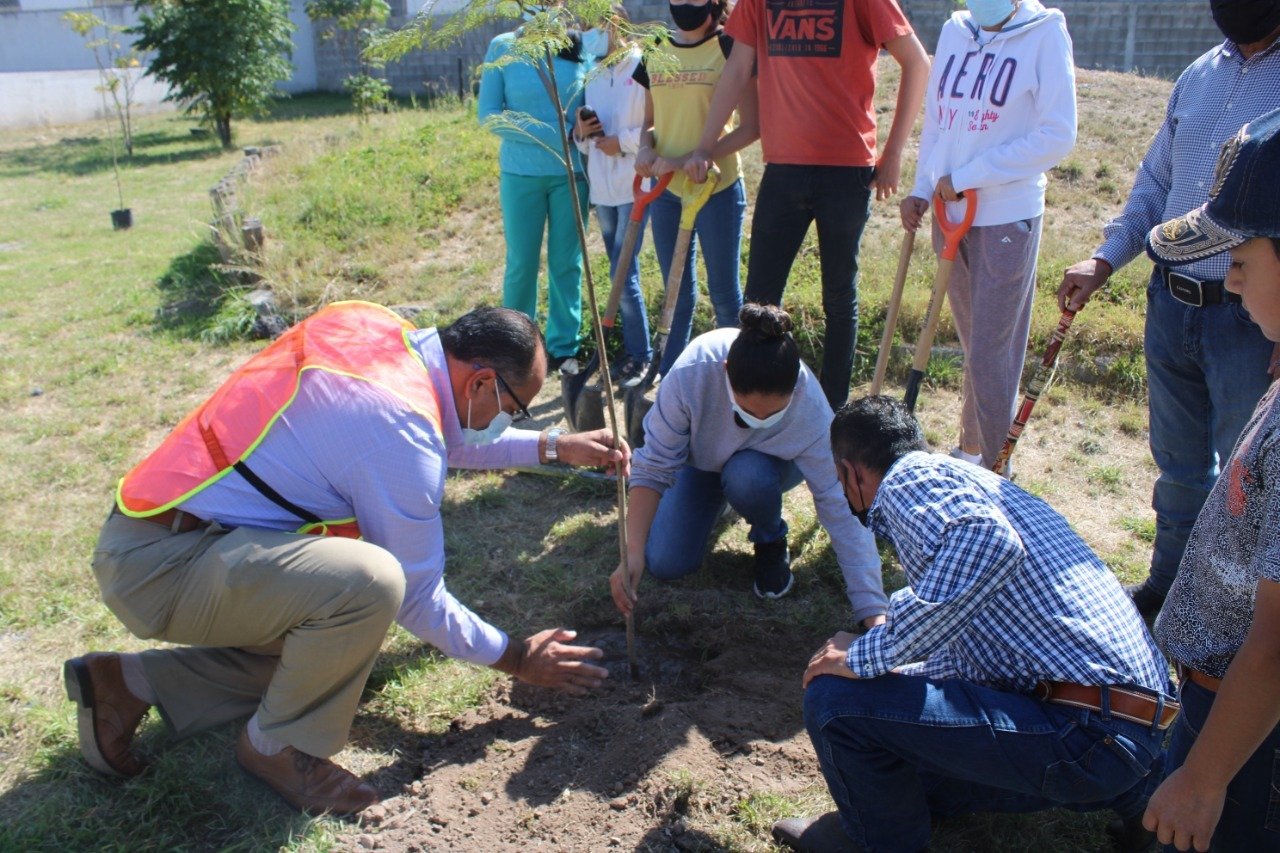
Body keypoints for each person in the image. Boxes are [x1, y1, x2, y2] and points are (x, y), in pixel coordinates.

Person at [63, 302, 628, 815]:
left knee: (324, 657)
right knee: (371, 585)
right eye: (514, 408)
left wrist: (554, 446)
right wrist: (519, 657)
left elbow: (437, 438)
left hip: (163, 536)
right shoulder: (399, 429)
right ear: (480, 380)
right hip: (163, 569)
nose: (509, 420)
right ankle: (277, 747)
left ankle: (131, 683)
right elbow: (420, 598)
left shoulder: (378, 332)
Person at [774, 395, 1176, 853]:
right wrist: (895, 675)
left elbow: (988, 542)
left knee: (834, 701)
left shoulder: (905, 481)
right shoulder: (967, 481)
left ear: (850, 472)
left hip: (1085, 734)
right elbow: (979, 658)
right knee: (907, 771)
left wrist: (868, 655)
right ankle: (1141, 797)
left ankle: (877, 844)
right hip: (1130, 727)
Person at [1057, 0, 1280, 619]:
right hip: (1172, 301)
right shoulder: (1199, 74)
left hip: (1252, 320)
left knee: (1249, 482)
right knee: (1179, 468)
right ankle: (1169, 589)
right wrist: (1105, 259)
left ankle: (1239, 619)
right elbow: (1156, 182)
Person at [1141, 106, 1280, 853]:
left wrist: (1203, 778)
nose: (1229, 282)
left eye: (1242, 262)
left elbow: (1278, 642)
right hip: (1224, 707)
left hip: (1249, 733)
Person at [683, 0, 929, 409]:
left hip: (847, 171)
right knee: (758, 301)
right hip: (783, 170)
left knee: (839, 296)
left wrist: (894, 153)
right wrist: (704, 147)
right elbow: (738, 69)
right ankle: (756, 402)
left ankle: (831, 412)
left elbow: (917, 63)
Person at [610, 304, 885, 625]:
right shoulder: (691, 374)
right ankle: (721, 500)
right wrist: (632, 550)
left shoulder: (810, 405)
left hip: (767, 470)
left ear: (795, 388)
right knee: (665, 561)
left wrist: (872, 610)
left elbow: (840, 502)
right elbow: (653, 466)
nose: (758, 421)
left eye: (773, 415)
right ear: (726, 371)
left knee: (747, 475)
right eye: (747, 412)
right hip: (700, 465)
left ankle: (770, 537)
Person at [900, 0, 1076, 470]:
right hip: (950, 211)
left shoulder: (1044, 32)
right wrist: (922, 188)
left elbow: (1057, 134)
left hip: (1005, 217)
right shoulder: (956, 31)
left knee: (992, 357)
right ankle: (969, 452)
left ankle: (999, 475)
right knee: (974, 346)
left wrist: (970, 175)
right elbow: (939, 121)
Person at [632, 0, 759, 377]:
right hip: (666, 191)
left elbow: (752, 127)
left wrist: (694, 157)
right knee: (676, 294)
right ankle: (672, 379)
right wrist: (644, 148)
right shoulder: (656, 47)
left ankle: (738, 378)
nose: (685, 4)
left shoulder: (731, 46)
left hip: (717, 188)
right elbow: (649, 121)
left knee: (724, 295)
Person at [478, 20, 590, 371]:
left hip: (572, 175)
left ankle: (564, 347)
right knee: (522, 264)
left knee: (567, 263)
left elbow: (591, 107)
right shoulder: (503, 46)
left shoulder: (579, 45)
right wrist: (560, 133)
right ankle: (516, 346)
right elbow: (489, 116)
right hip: (520, 175)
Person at [573, 6, 653, 387]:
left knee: (622, 272)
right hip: (602, 189)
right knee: (619, 271)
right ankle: (634, 351)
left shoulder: (641, 66)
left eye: (594, 27)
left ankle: (642, 355)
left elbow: (655, 128)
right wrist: (581, 132)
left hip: (635, 184)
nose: (588, 34)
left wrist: (621, 142)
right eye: (585, 27)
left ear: (616, 24)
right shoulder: (593, 73)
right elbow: (586, 143)